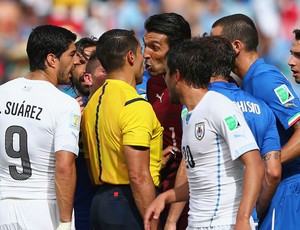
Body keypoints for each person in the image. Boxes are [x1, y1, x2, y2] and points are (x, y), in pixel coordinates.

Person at [144, 36, 264, 230]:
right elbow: (202, 180)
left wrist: (242, 219)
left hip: (226, 223)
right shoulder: (189, 115)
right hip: (197, 224)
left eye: (166, 74)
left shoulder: (219, 106)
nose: (163, 81)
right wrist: (166, 197)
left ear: (176, 76)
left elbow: (255, 164)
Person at [211, 13, 300, 230]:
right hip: (273, 187)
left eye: (215, 43)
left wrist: (266, 163)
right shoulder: (245, 82)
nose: (210, 50)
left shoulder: (264, 79)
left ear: (236, 46)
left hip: (287, 188)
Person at [81, 29, 163, 230]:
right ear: (131, 56)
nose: (145, 57)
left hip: (100, 202)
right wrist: (152, 224)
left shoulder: (91, 104)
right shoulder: (134, 104)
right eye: (140, 51)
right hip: (128, 204)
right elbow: (138, 175)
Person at [0, 25, 81, 230]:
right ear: (52, 59)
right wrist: (64, 221)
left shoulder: (2, 93)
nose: (76, 61)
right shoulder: (64, 104)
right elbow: (64, 167)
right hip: (42, 209)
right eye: (71, 55)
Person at [143, 12, 191, 229]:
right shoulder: (153, 85)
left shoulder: (198, 88)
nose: (146, 54)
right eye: (145, 46)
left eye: (154, 47)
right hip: (161, 193)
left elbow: (193, 155)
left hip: (193, 201)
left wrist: (172, 219)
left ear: (177, 49)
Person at [60, 36, 98, 230]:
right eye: (81, 62)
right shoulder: (60, 102)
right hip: (73, 205)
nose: (86, 70)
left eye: (92, 62)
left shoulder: (115, 103)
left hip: (105, 203)